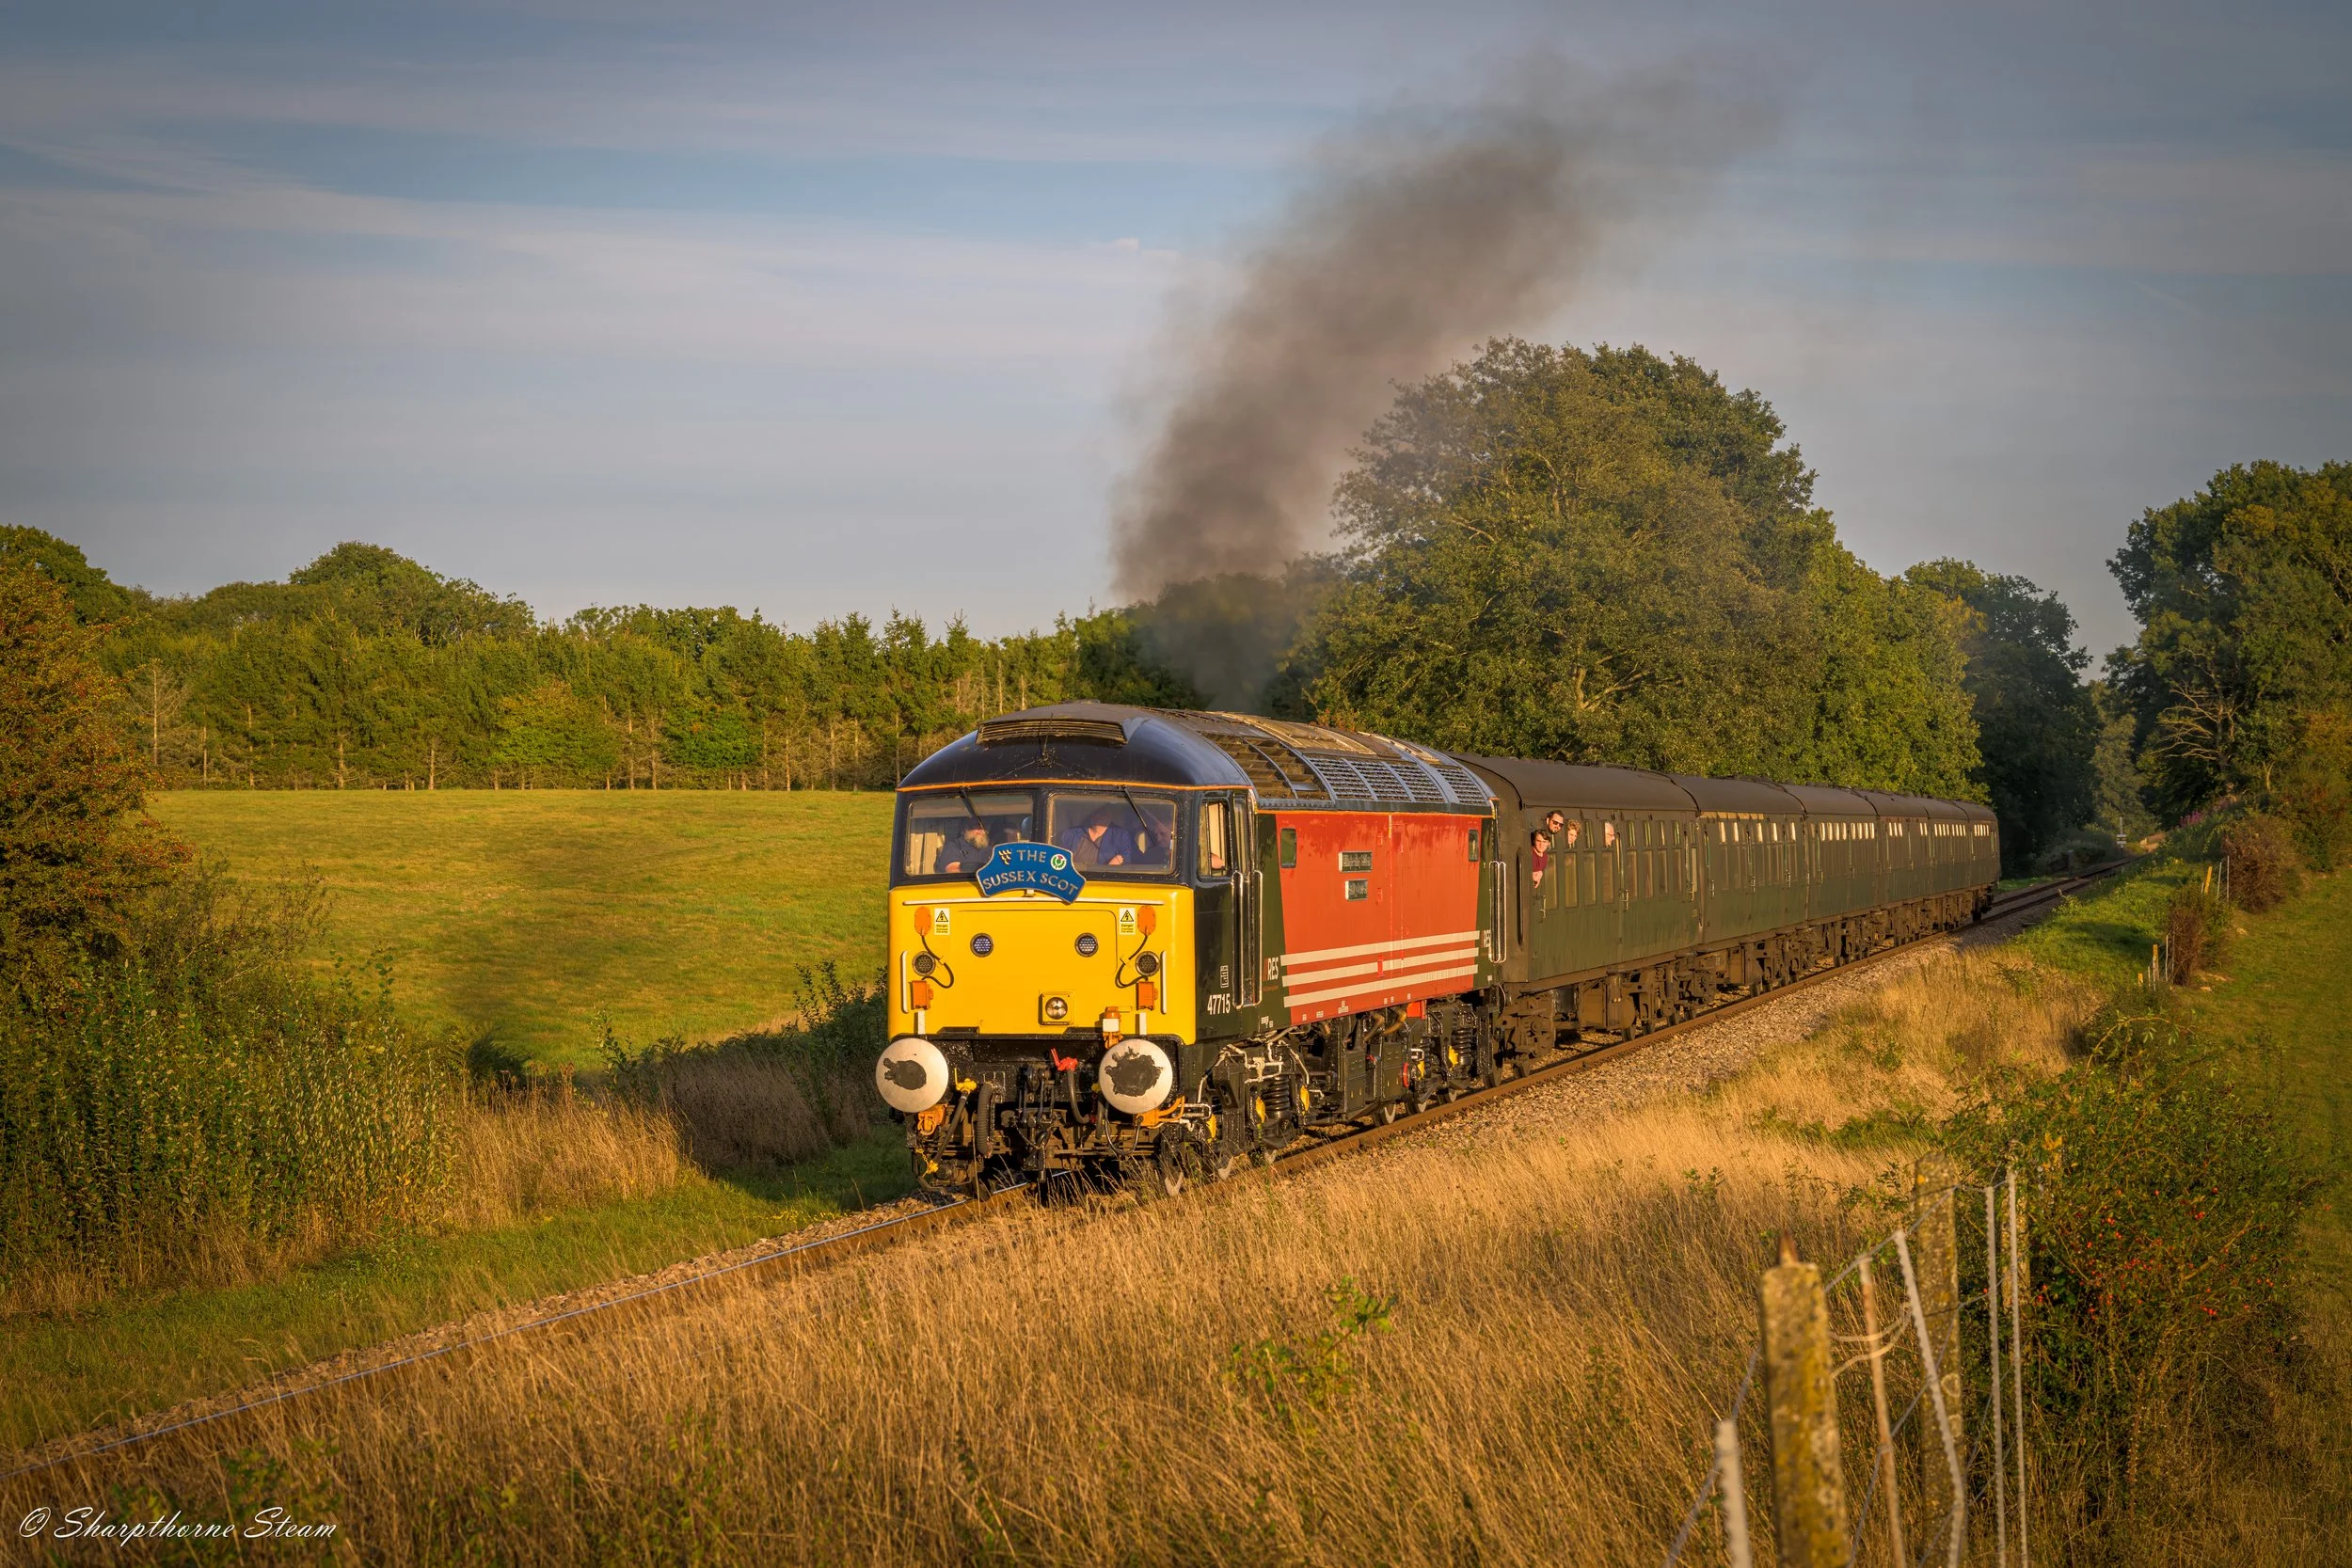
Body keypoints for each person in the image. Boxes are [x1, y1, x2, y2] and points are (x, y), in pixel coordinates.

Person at [1059, 807, 1134, 871]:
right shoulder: (1071, 834)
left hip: (1102, 882)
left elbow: (1130, 855)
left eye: (1103, 812)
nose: (1099, 816)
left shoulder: (1120, 834)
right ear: (1090, 815)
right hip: (1072, 879)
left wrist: (1120, 858)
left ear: (1110, 816)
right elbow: (1058, 855)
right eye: (1096, 812)